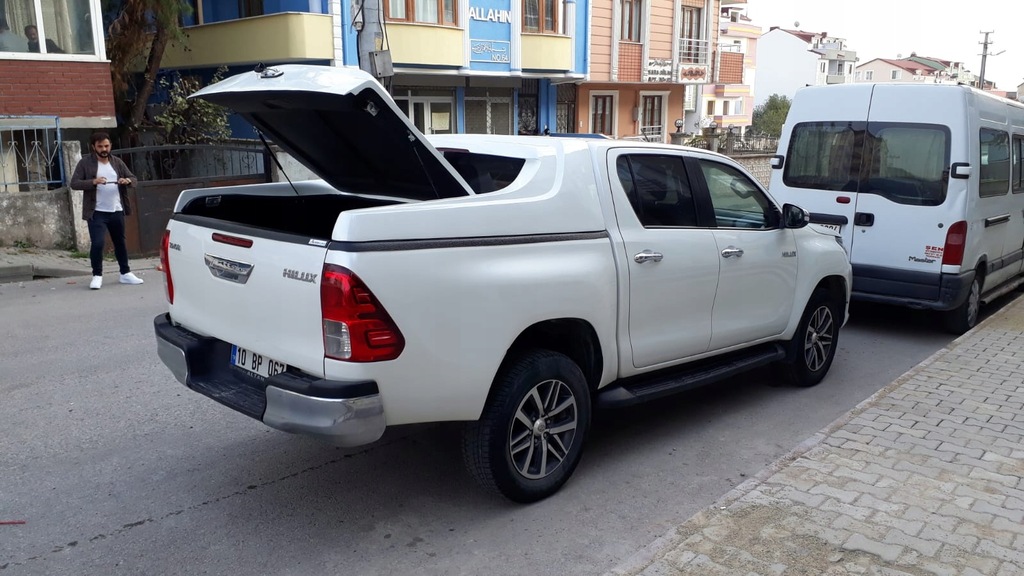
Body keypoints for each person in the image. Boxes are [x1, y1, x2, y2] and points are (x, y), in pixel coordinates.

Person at [69, 132, 145, 290]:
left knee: (120, 242)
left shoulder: (117, 162)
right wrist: (93, 182)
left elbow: (134, 179)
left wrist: (127, 180)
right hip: (96, 211)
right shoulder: (85, 163)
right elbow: (74, 183)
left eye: (106, 146)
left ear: (110, 146)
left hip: (116, 209)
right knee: (98, 243)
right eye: (100, 146)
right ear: (93, 147)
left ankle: (125, 273)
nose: (104, 149)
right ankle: (97, 275)